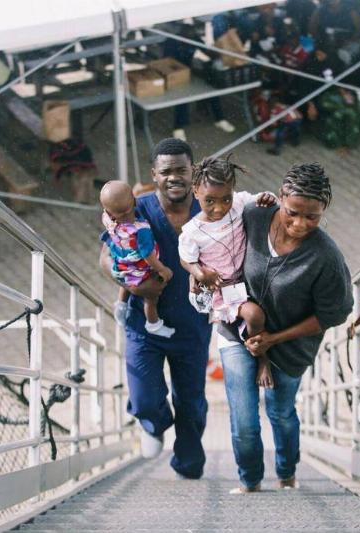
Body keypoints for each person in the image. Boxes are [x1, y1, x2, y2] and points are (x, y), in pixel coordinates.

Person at [217, 162, 353, 493]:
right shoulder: (255, 215)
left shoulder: (326, 257)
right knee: (245, 421)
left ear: (324, 212)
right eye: (292, 212)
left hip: (290, 347)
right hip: (239, 331)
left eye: (312, 217)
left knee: (279, 413)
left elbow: (334, 314)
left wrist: (274, 338)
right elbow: (211, 221)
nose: (300, 223)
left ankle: (287, 473)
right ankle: (249, 481)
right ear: (279, 197)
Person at [99, 138, 211, 479]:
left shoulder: (209, 211)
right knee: (145, 397)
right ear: (154, 175)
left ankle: (189, 464)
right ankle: (155, 424)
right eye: (166, 172)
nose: (174, 177)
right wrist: (132, 285)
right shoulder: (135, 209)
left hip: (192, 325)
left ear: (194, 171)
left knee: (191, 405)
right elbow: (105, 257)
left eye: (182, 170)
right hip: (143, 325)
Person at [178, 155, 277, 388]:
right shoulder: (193, 231)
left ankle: (245, 335)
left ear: (233, 191)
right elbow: (186, 259)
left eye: (226, 199)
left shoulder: (240, 203)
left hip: (248, 279)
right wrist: (200, 273)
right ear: (196, 192)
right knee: (254, 316)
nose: (219, 208)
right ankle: (263, 358)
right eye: (210, 201)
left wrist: (266, 198)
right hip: (223, 290)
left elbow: (266, 199)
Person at [100, 181, 176, 338]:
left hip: (122, 264)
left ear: (108, 212)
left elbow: (106, 215)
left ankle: (121, 306)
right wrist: (162, 269)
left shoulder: (110, 223)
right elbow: (148, 255)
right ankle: (153, 324)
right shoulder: (141, 230)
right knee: (151, 298)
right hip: (141, 270)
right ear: (135, 201)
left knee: (126, 277)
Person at [162, 25, 235, 142]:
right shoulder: (171, 41)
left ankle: (219, 119)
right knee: (183, 96)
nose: (193, 34)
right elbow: (166, 61)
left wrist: (220, 51)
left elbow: (206, 51)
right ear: (182, 32)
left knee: (211, 87)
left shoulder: (194, 38)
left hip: (190, 70)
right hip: (175, 73)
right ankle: (178, 127)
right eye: (190, 32)